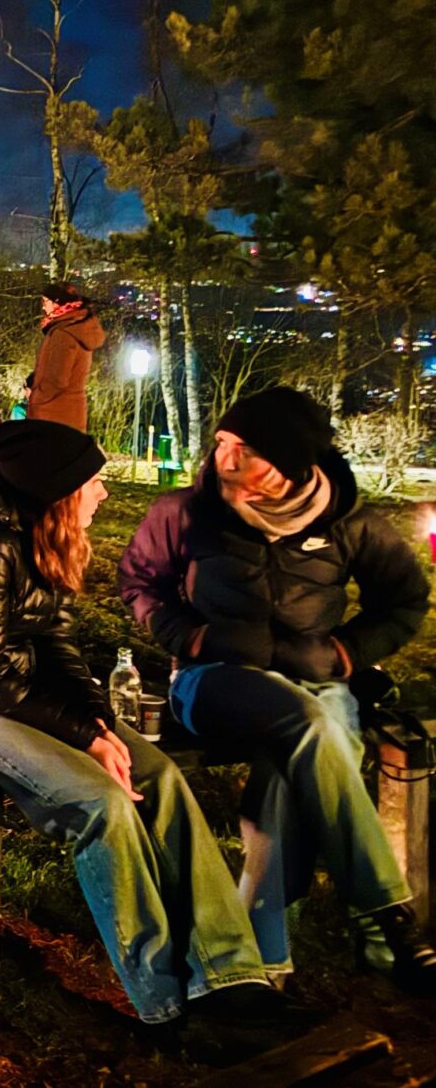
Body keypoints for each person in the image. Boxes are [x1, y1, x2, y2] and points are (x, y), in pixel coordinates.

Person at [0, 420, 295, 1056]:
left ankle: (231, 976)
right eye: (94, 482)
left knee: (159, 776)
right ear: (57, 489)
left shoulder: (41, 533)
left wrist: (98, 723)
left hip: (10, 690)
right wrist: (85, 740)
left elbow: (56, 646)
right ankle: (165, 1003)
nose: (101, 493)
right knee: (99, 803)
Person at [119, 386, 436, 993]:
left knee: (290, 770)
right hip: (213, 681)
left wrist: (345, 652)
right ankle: (386, 915)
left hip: (316, 677)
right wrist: (190, 638)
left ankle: (265, 963)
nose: (223, 459)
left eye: (244, 449)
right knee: (317, 728)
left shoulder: (349, 522)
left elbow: (404, 601)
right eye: (221, 444)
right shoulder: (185, 511)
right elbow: (139, 581)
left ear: (289, 465)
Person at [28, 282, 104, 431]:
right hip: (71, 414)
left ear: (57, 303)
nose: (43, 307)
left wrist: (36, 397)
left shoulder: (63, 333)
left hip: (51, 416)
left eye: (45, 302)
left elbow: (57, 378)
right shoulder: (78, 328)